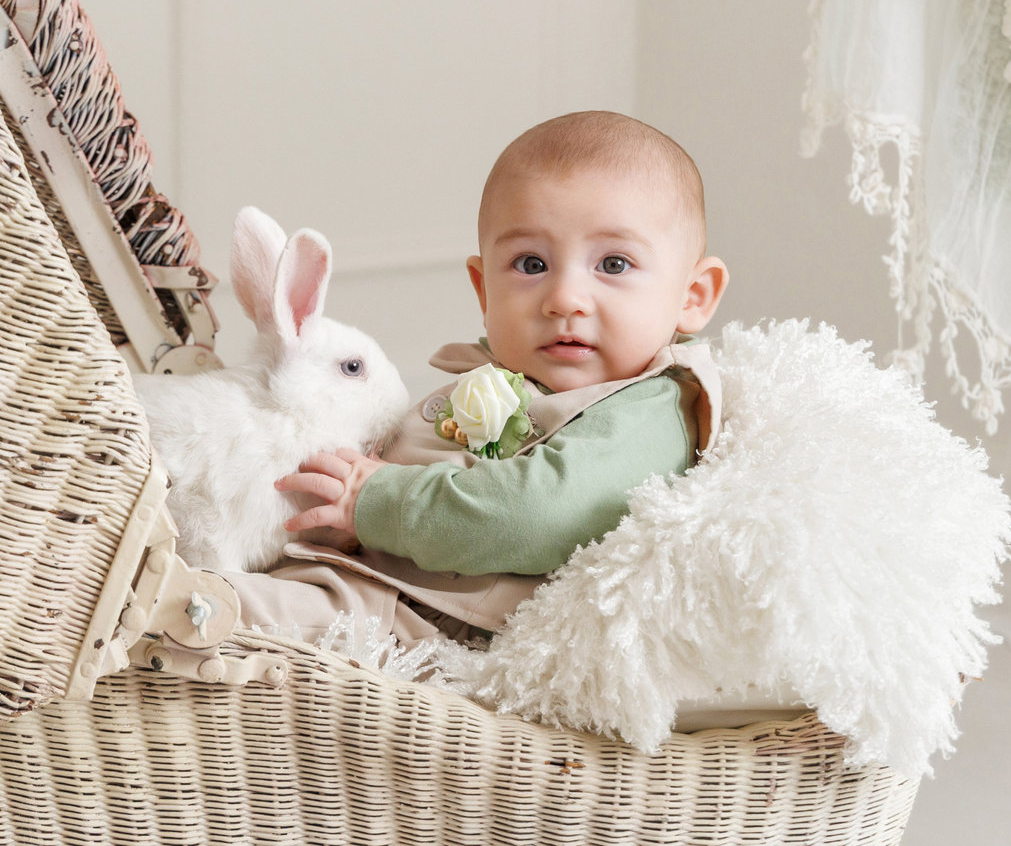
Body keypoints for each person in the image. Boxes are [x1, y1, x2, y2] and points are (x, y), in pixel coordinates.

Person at [225, 110, 729, 646]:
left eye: (614, 264)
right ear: (484, 289)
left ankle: (167, 600)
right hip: (368, 575)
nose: (564, 298)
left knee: (224, 610)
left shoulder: (653, 406)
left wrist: (375, 503)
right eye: (532, 264)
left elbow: (538, 513)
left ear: (692, 298)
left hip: (429, 621)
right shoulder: (502, 374)